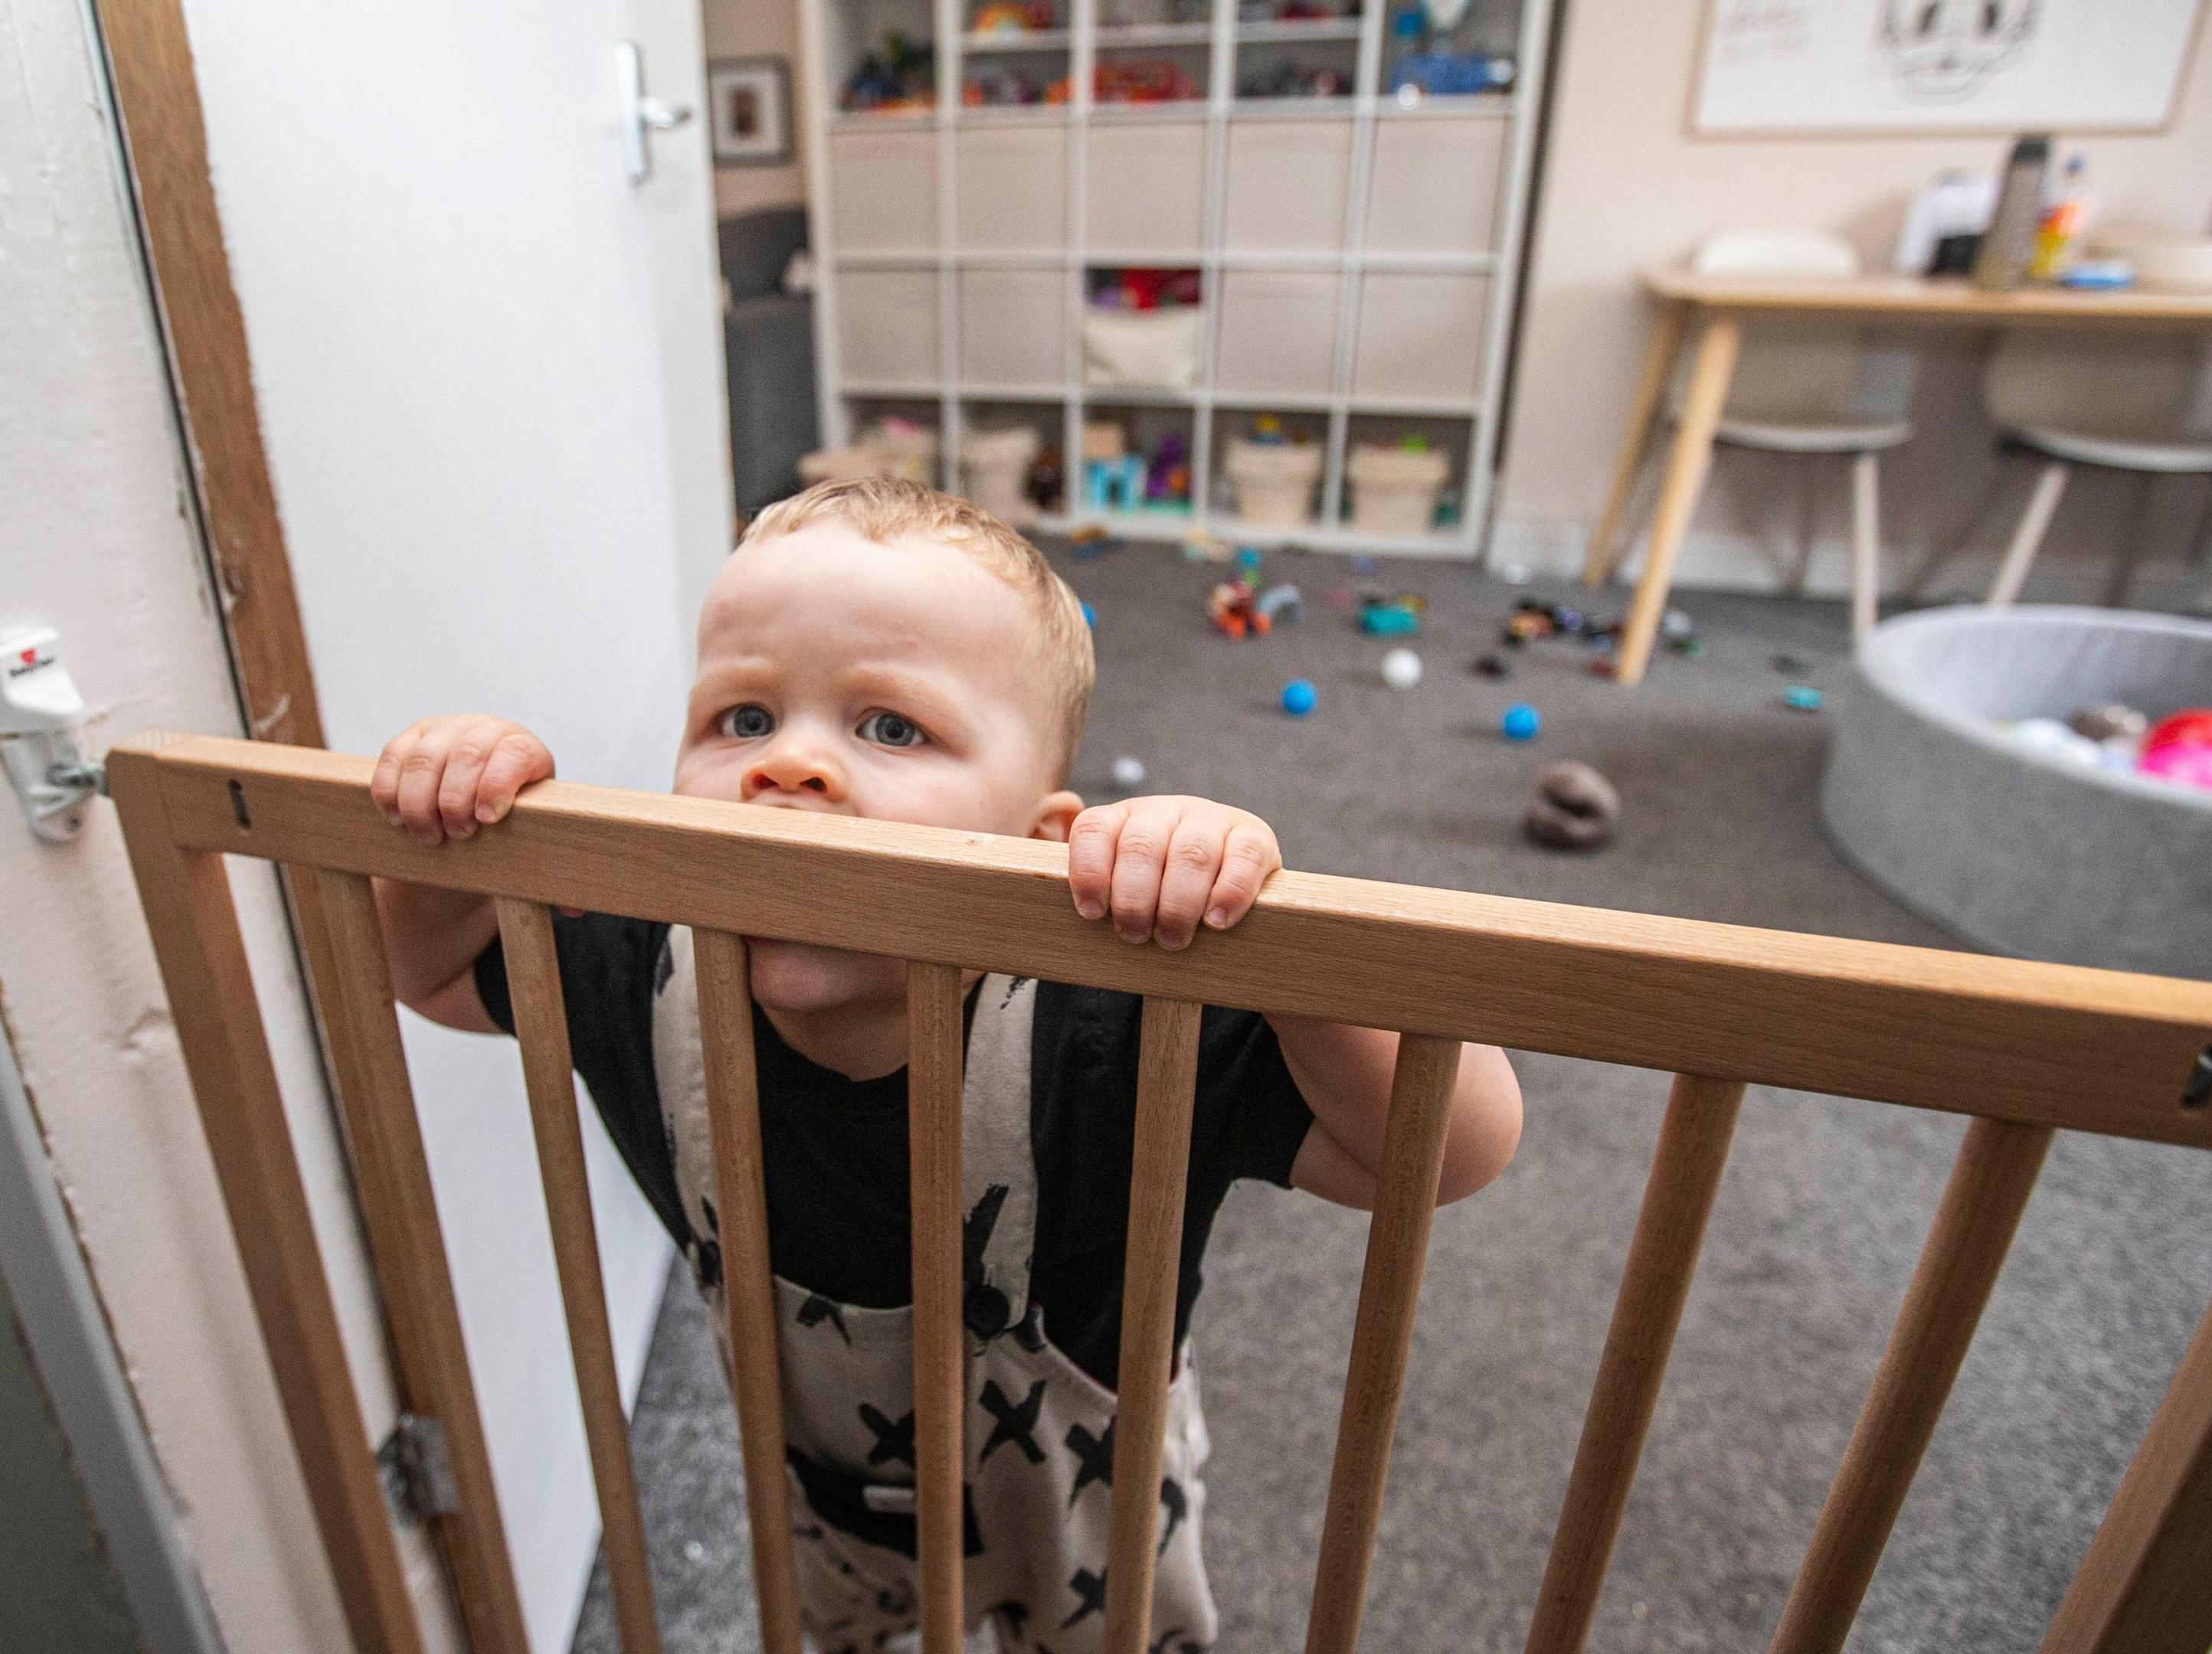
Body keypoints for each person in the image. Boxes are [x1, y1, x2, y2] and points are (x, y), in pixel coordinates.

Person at [369, 477, 1522, 1654]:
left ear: (1040, 840)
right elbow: (438, 971)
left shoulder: (1114, 1025)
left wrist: (1280, 940)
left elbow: (1448, 1148)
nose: (791, 766)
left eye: (889, 727)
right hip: (827, 1513)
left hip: (1085, 1522)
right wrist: (449, 826)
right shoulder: (643, 972)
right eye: (743, 718)